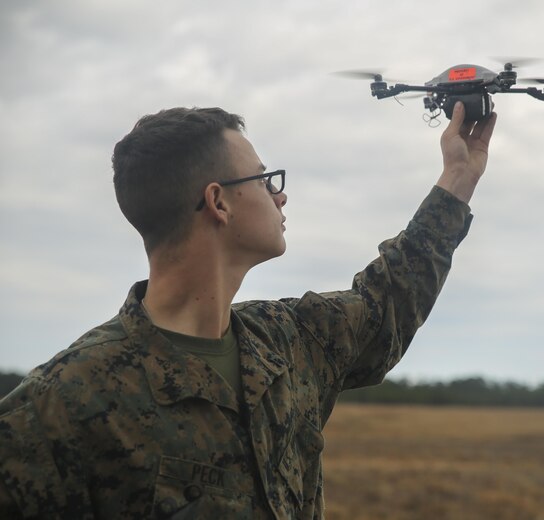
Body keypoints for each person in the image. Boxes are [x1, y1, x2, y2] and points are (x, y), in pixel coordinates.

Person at [0, 102, 497, 519]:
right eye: (264, 180)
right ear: (218, 202)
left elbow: (387, 303)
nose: (280, 194)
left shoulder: (286, 341)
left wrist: (458, 176)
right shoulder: (59, 407)